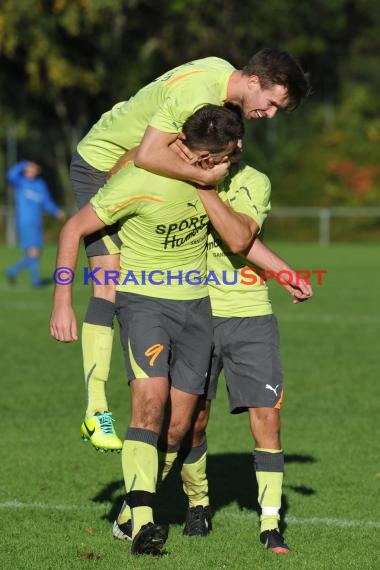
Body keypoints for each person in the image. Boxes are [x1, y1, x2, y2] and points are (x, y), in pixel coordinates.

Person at [71, 47, 310, 451]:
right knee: (108, 285)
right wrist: (208, 178)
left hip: (129, 166)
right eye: (271, 104)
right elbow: (148, 155)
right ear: (253, 81)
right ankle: (96, 411)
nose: (269, 115)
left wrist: (285, 274)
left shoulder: (219, 77)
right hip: (101, 166)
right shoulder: (200, 94)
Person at [50, 105, 246, 555]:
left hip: (197, 308)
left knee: (178, 429)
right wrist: (62, 299)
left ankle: (127, 511)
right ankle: (143, 524)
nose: (208, 168)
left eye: (217, 161)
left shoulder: (228, 180)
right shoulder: (141, 180)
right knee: (149, 404)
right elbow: (74, 228)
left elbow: (244, 238)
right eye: (201, 160)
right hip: (143, 303)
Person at [111, 127, 312, 554]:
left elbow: (242, 237)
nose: (232, 147)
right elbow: (127, 173)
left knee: (267, 416)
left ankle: (271, 524)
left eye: (236, 139)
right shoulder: (176, 173)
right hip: (195, 310)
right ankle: (185, 504)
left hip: (248, 314)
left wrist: (283, 271)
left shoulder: (252, 181)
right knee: (187, 424)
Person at [5, 160, 65, 288]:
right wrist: (23, 164)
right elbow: (10, 175)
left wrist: (56, 211)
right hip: (25, 222)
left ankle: (13, 271)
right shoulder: (20, 182)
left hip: (37, 222)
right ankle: (36, 281)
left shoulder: (40, 184)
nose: (32, 171)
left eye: (34, 169)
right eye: (30, 168)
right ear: (26, 169)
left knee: (36, 252)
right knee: (34, 252)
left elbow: (46, 202)